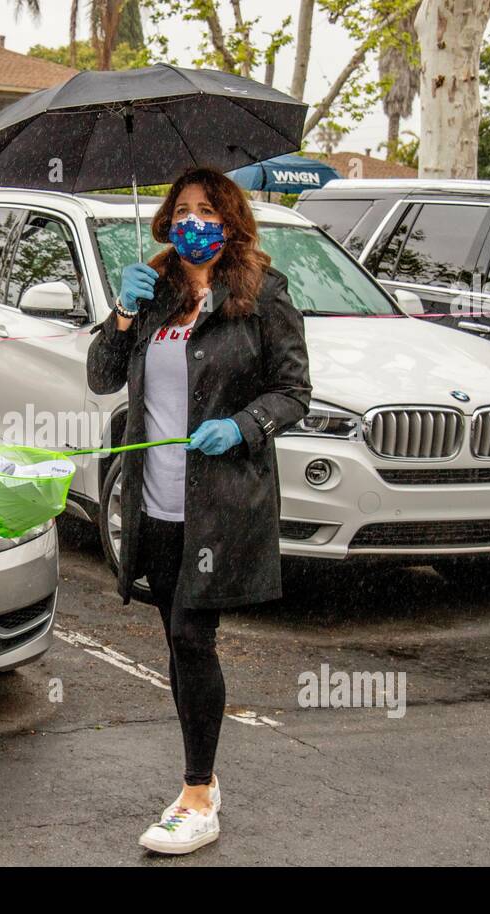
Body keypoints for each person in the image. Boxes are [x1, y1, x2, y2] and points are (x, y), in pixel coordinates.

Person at [86, 166, 312, 856]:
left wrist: (243, 426)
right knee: (177, 644)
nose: (194, 222)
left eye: (208, 210)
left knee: (191, 637)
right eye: (182, 210)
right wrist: (122, 314)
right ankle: (203, 782)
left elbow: (294, 391)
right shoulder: (153, 290)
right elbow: (101, 375)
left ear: (231, 219)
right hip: (155, 501)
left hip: (218, 505)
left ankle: (195, 793)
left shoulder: (262, 295)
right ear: (166, 219)